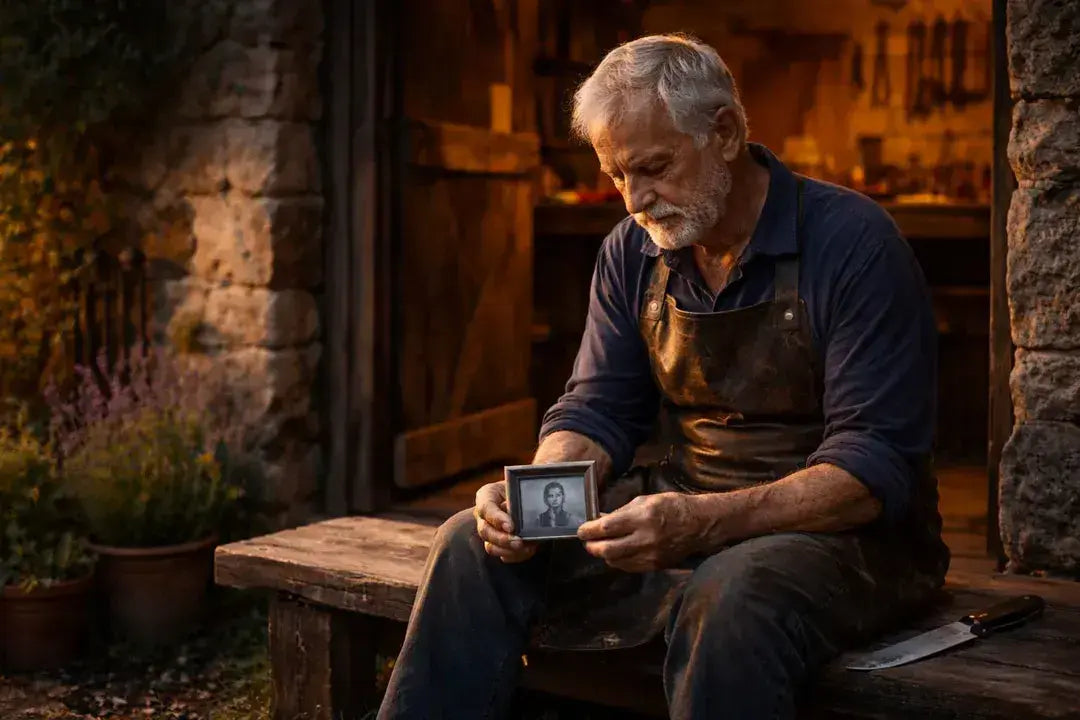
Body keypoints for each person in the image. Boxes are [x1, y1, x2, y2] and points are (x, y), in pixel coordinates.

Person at [378, 33, 949, 720]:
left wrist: (702, 524)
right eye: (617, 175)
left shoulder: (855, 244)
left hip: (847, 536)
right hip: (687, 498)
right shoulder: (632, 251)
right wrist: (535, 496)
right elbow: (596, 409)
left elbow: (873, 467)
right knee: (469, 545)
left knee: (733, 594)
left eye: (652, 167)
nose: (633, 200)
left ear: (726, 133)